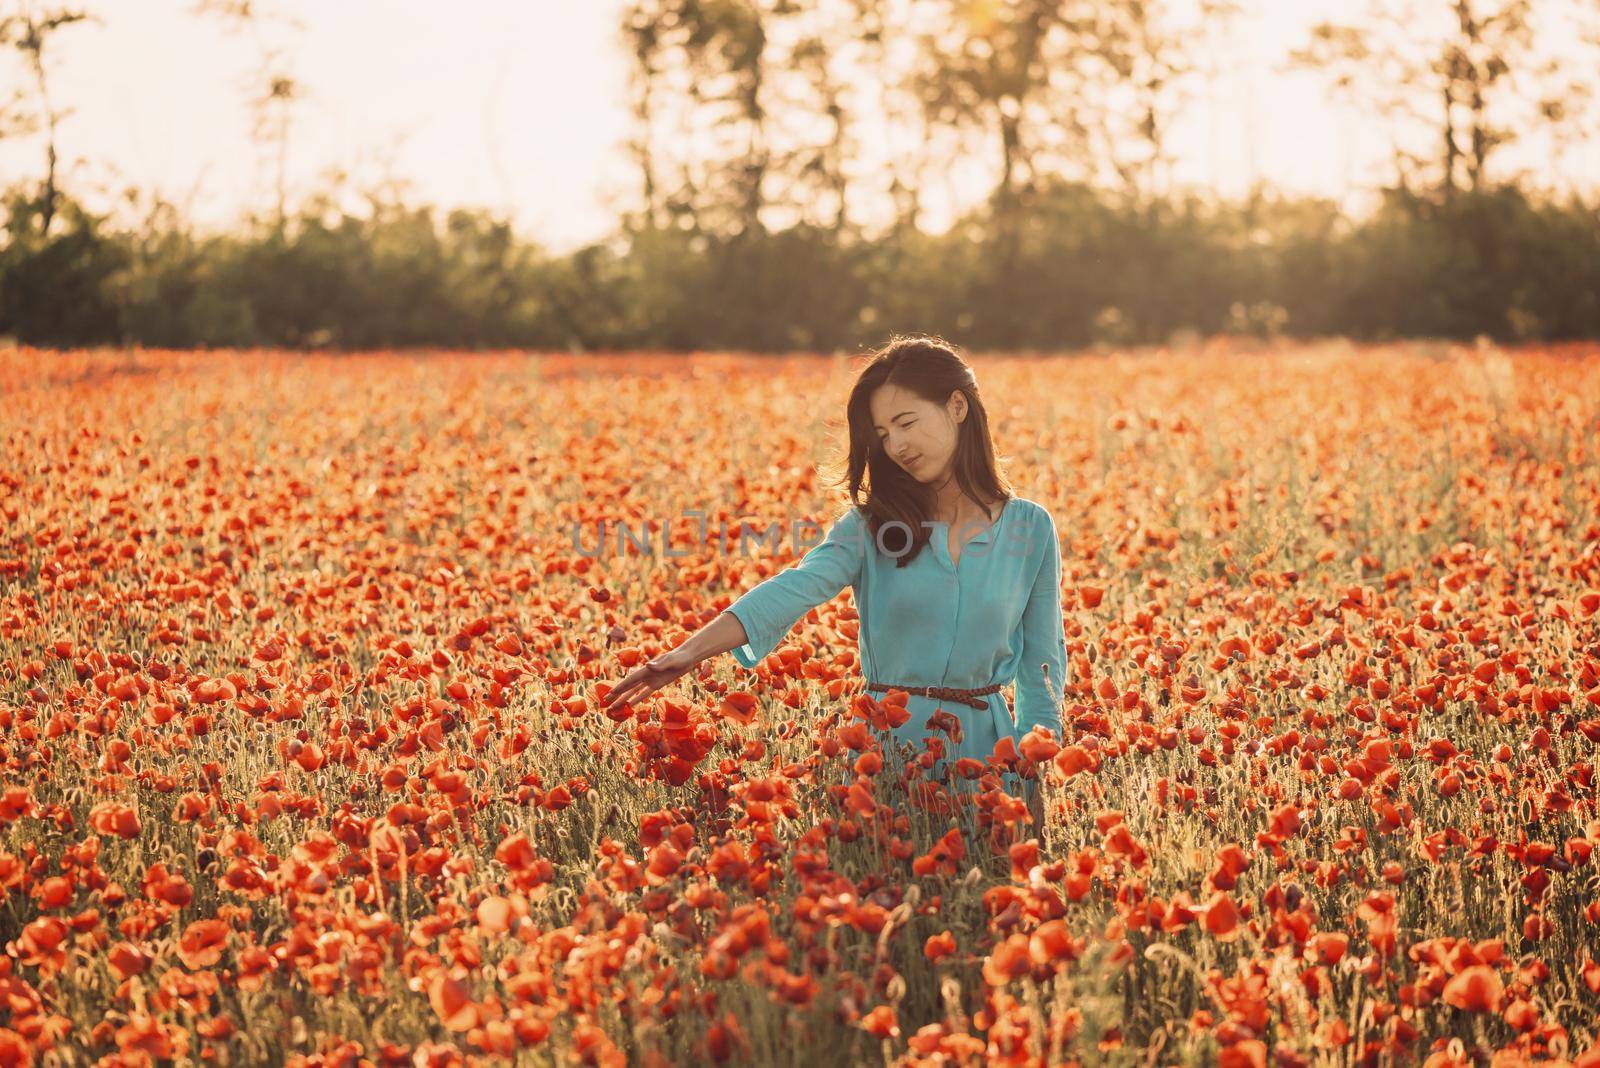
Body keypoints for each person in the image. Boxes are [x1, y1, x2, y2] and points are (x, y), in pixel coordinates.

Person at [600, 335, 1067, 815]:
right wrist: (687, 654)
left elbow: (1043, 668)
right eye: (883, 435)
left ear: (957, 407)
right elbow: (796, 587)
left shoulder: (1030, 528)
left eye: (906, 423)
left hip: (988, 760)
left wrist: (1033, 776)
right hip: (888, 751)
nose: (897, 446)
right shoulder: (872, 525)